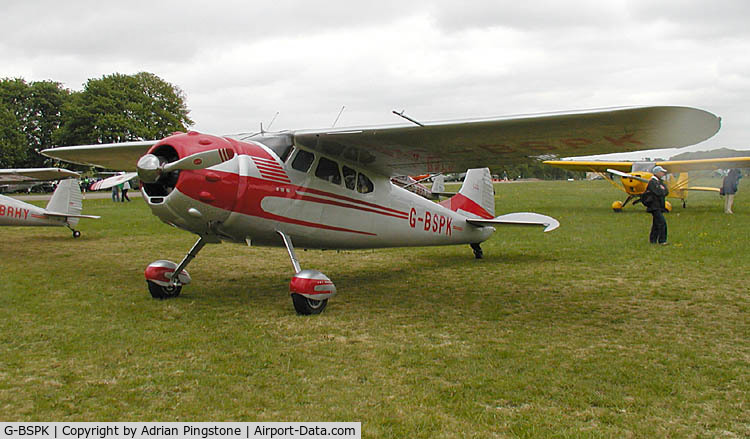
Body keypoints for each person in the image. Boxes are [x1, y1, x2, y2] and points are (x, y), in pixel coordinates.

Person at [642, 165, 670, 245]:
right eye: (661, 172)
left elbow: (666, 192)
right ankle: (662, 241)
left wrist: (662, 191)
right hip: (654, 206)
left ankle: (653, 240)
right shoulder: (652, 182)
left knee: (656, 224)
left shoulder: (659, 182)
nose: (663, 174)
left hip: (659, 206)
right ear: (657, 172)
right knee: (662, 223)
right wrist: (662, 191)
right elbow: (659, 192)